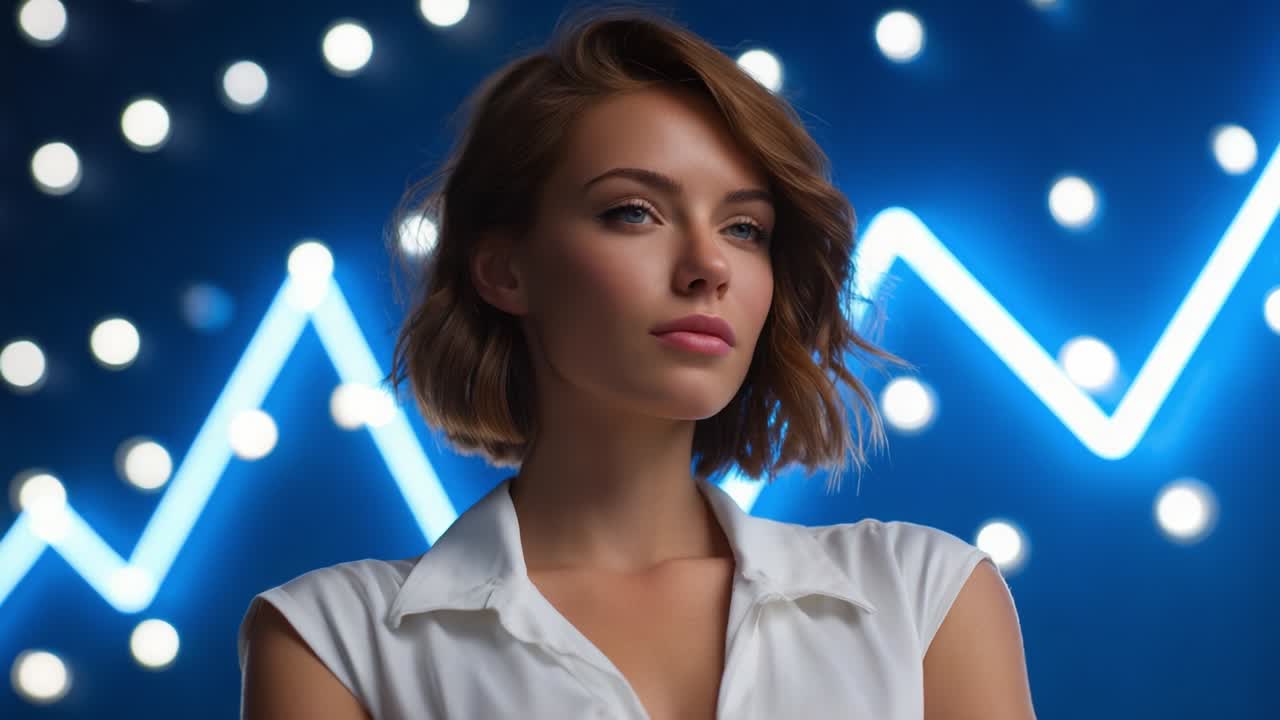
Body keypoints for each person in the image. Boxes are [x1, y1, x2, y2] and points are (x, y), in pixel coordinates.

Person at [239, 6, 1036, 719]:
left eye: (744, 228)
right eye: (634, 212)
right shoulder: (330, 642)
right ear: (505, 270)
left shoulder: (925, 598)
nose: (707, 266)